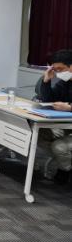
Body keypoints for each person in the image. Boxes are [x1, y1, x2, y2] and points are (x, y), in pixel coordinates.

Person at [35, 49, 72, 184]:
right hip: (66, 125)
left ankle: (65, 169)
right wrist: (46, 81)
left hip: (68, 126)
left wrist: (70, 108)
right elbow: (48, 100)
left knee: (58, 146)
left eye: (60, 69)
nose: (58, 73)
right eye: (55, 70)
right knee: (38, 135)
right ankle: (65, 163)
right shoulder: (65, 82)